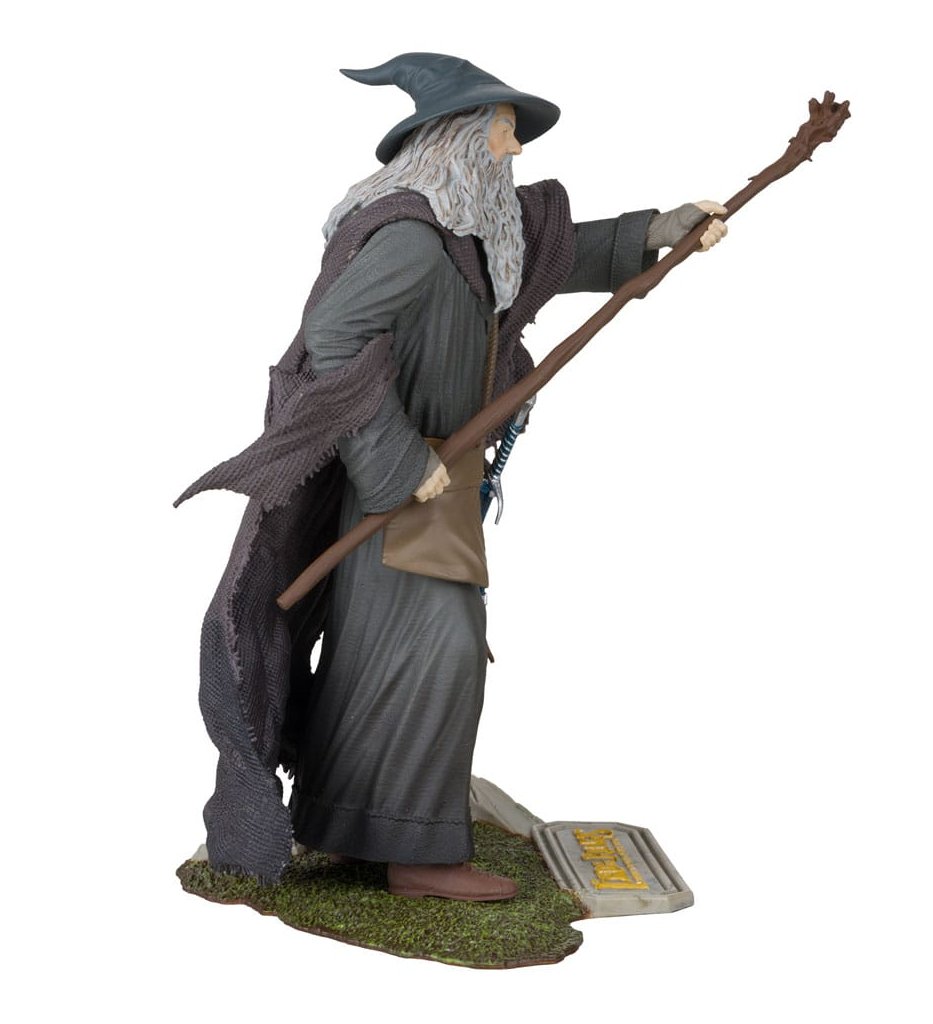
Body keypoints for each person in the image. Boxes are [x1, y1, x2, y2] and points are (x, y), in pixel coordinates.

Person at [178, 53, 726, 899]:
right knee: (442, 651)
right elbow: (333, 336)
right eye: (503, 129)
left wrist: (660, 231)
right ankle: (418, 855)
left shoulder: (472, 236)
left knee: (380, 655)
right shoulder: (411, 239)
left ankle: (356, 822)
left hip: (437, 482)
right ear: (460, 138)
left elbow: (556, 253)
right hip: (403, 490)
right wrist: (399, 461)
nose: (515, 148)